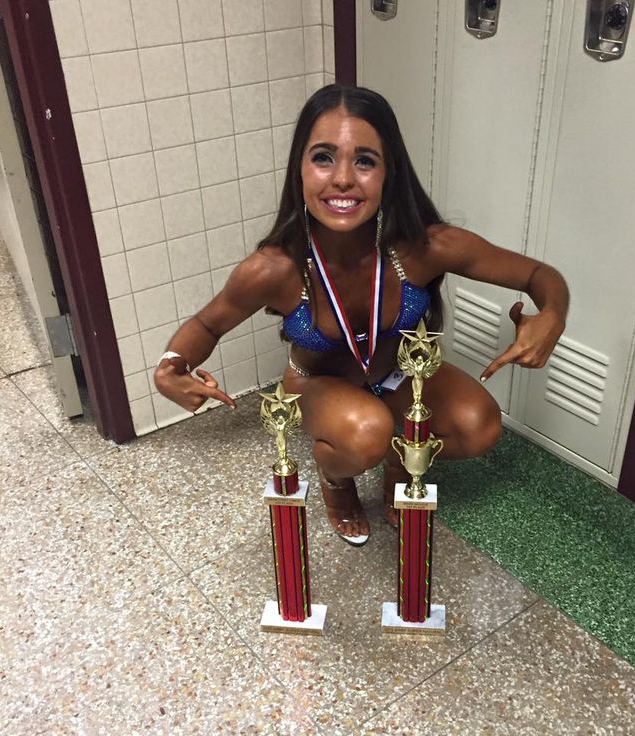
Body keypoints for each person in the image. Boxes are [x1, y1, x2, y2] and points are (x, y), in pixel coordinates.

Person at [155, 84, 568, 546]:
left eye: (365, 161)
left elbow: (537, 273)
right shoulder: (275, 268)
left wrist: (553, 313)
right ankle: (336, 478)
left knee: (479, 427)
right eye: (324, 157)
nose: (343, 179)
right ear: (300, 169)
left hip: (396, 376)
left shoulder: (425, 247)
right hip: (316, 384)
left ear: (389, 172)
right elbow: (208, 324)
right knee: (365, 432)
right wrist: (171, 368)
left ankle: (399, 462)